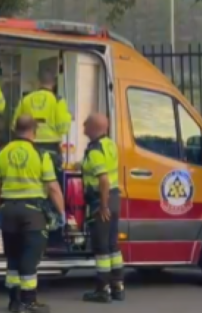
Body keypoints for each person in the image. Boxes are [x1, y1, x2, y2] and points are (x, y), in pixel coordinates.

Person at [0, 115, 66, 313]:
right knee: (29, 259)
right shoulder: (40, 155)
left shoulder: (1, 153)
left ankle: (14, 302)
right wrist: (62, 212)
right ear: (35, 131)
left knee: (13, 258)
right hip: (32, 213)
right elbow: (53, 187)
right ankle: (29, 302)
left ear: (15, 129)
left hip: (8, 211)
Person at [80, 113, 125, 303]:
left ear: (92, 127)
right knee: (113, 245)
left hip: (101, 201)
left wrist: (103, 206)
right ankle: (118, 286)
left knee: (101, 248)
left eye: (86, 123)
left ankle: (102, 289)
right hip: (114, 197)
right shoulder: (109, 144)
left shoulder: (95, 150)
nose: (83, 125)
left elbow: (103, 179)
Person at [13, 69, 72, 179]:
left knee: (29, 178)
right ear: (54, 83)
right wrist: (68, 117)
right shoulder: (57, 100)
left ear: (38, 82)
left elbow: (14, 124)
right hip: (51, 148)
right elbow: (63, 128)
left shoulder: (26, 99)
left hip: (28, 144)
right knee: (51, 180)